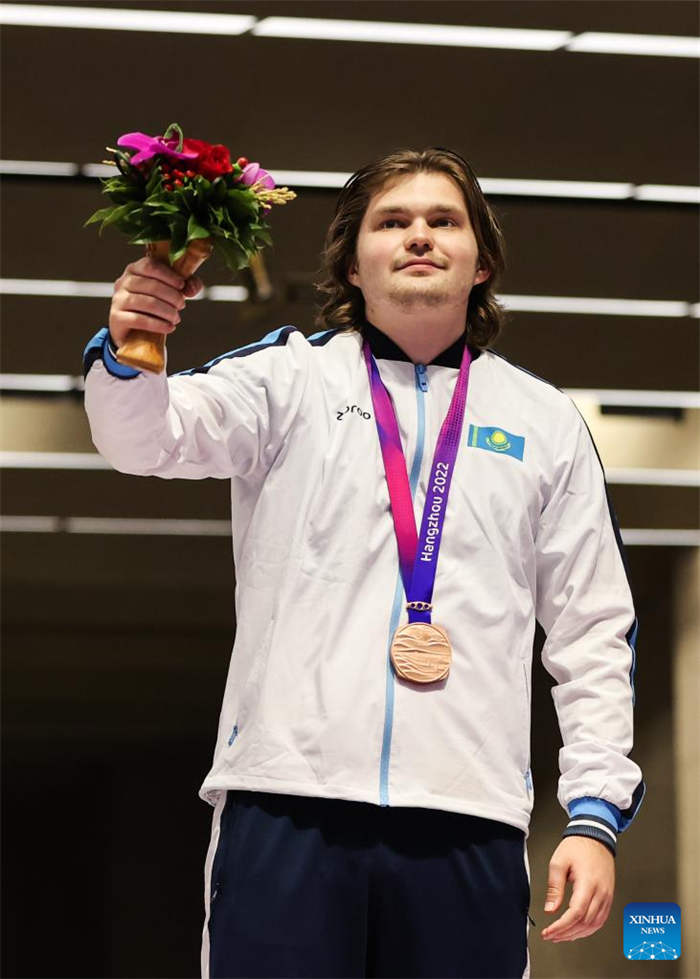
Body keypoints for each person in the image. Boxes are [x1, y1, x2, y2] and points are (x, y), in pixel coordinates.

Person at [83, 147, 645, 979]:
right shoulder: (287, 380)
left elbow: (593, 628)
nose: (419, 235)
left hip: (470, 813)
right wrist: (133, 343)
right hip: (287, 804)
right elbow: (144, 439)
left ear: (481, 259)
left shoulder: (545, 422)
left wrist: (594, 813)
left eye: (443, 220)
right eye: (393, 221)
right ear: (353, 259)